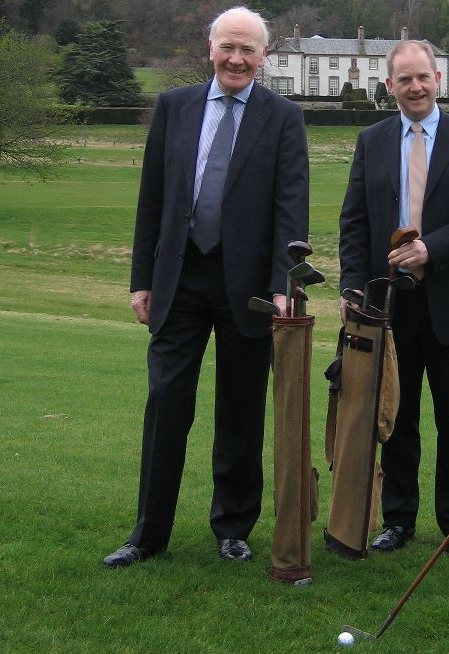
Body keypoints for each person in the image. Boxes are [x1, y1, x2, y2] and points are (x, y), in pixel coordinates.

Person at [102, 6, 309, 568]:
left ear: (264, 55)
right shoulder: (174, 108)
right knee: (166, 405)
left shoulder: (283, 118)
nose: (236, 58)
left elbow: (292, 211)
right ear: (210, 48)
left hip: (249, 289)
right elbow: (152, 201)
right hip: (180, 279)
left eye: (248, 49)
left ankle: (233, 528)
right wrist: (141, 279)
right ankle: (148, 535)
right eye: (228, 47)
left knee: (241, 412)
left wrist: (283, 285)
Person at [338, 40, 449, 559]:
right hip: (389, 306)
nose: (414, 87)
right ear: (390, 86)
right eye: (403, 79)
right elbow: (355, 222)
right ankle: (398, 519)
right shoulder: (372, 140)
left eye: (422, 77)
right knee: (397, 417)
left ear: (439, 80)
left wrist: (432, 248)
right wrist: (352, 288)